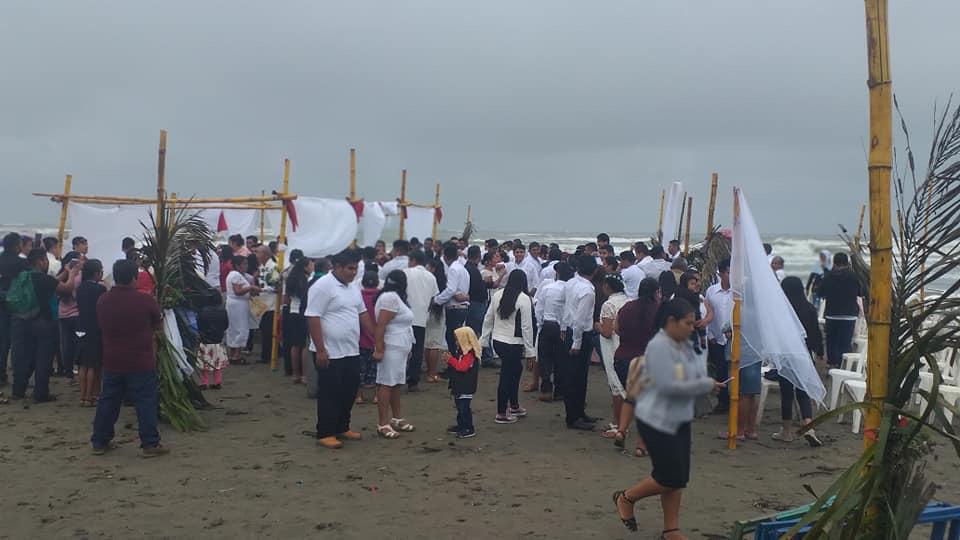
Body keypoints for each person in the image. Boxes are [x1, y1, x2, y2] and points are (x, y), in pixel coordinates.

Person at [612, 298, 724, 537]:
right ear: (671, 322)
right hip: (657, 419)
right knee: (668, 476)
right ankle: (627, 497)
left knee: (679, 476)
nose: (692, 327)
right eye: (688, 323)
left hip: (678, 416)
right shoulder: (659, 346)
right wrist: (704, 384)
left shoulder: (679, 345)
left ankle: (671, 528)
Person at [90, 259, 167, 457]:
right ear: (134, 277)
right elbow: (158, 326)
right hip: (140, 361)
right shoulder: (144, 300)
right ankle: (150, 443)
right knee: (145, 402)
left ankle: (99, 441)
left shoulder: (103, 300)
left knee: (108, 401)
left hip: (112, 360)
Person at [305, 249, 375, 450]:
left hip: (351, 349)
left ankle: (342, 426)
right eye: (350, 268)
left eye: (356, 268)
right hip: (329, 351)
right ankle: (325, 432)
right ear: (337, 267)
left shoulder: (353, 287)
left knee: (350, 389)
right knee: (330, 392)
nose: (353, 273)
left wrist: (376, 338)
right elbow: (313, 317)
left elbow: (362, 314)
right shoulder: (322, 286)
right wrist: (320, 350)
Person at [10, 249, 80, 402]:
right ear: (40, 261)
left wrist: (66, 271)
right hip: (43, 323)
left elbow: (54, 282)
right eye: (45, 260)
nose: (47, 263)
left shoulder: (23, 276)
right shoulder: (43, 279)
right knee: (44, 358)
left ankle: (18, 391)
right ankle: (40, 393)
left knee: (23, 358)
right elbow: (66, 289)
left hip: (22, 321)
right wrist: (73, 274)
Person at [613, 277, 661, 457]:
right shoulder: (658, 311)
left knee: (632, 398)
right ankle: (641, 444)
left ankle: (621, 430)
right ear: (656, 292)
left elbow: (617, 329)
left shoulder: (627, 307)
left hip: (623, 358)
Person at [481, 269, 535, 424]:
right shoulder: (524, 299)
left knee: (515, 369)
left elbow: (488, 318)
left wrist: (484, 341)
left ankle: (514, 405)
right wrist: (531, 352)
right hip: (513, 343)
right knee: (507, 374)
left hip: (498, 341)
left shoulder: (498, 294)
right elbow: (527, 327)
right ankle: (501, 412)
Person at [774, 277, 824, 447]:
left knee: (787, 394)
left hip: (786, 355)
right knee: (803, 391)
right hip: (804, 355)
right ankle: (808, 426)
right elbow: (816, 332)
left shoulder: (781, 310)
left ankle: (786, 432)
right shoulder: (809, 308)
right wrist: (820, 352)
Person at [372, 270, 417, 439]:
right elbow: (381, 325)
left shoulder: (396, 297)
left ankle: (396, 417)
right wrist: (379, 348)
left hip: (400, 345)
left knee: (397, 382)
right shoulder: (390, 298)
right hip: (391, 345)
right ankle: (382, 423)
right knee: (386, 383)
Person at [562, 255, 599, 430]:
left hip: (571, 330)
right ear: (594, 271)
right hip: (580, 334)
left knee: (576, 375)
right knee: (576, 377)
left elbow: (567, 309)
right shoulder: (588, 291)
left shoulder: (570, 283)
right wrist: (576, 343)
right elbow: (580, 319)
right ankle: (573, 416)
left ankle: (578, 412)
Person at [534, 262, 572, 402]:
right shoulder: (569, 290)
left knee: (545, 358)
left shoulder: (548, 288)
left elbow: (539, 308)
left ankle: (546, 389)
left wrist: (540, 323)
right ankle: (559, 390)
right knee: (561, 359)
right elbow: (568, 312)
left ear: (557, 274)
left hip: (547, 324)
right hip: (562, 327)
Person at [598, 273, 629, 439]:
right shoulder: (629, 301)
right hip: (628, 347)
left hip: (613, 349)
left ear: (608, 287)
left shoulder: (608, 304)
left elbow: (607, 332)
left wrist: (596, 326)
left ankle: (618, 425)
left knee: (616, 387)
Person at [404, 250, 439, 391]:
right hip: (420, 318)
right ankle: (413, 381)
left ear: (412, 260)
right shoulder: (431, 277)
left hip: (405, 318)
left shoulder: (405, 273)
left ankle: (399, 377)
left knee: (403, 349)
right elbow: (433, 299)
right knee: (417, 350)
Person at [820, 252, 862, 368]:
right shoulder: (854, 276)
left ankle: (832, 363)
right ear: (847, 262)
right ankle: (843, 364)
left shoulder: (828, 276)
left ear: (834, 262)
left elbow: (820, 292)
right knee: (845, 341)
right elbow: (860, 292)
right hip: (849, 313)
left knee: (831, 340)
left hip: (832, 313)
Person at [704, 258, 734, 414]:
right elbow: (708, 313)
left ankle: (736, 399)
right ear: (721, 273)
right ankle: (723, 401)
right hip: (717, 337)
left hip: (735, 338)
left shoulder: (738, 292)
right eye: (729, 272)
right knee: (721, 370)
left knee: (735, 369)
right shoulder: (711, 291)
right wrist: (709, 334)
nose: (731, 275)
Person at [76, 259, 106, 407]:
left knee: (83, 363)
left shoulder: (80, 288)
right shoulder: (100, 289)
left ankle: (82, 396)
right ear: (96, 273)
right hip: (95, 328)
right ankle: (91, 395)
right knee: (93, 364)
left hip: (80, 327)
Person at [0, 233, 27, 386]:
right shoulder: (20, 263)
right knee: (18, 343)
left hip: (1, 303)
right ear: (17, 245)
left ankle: (1, 374)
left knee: (2, 342)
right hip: (16, 305)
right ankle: (18, 378)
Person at [434, 244, 470, 357]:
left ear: (445, 256)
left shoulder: (453, 269)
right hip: (462, 307)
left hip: (455, 308)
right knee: (457, 338)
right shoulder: (462, 268)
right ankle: (457, 364)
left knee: (451, 338)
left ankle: (454, 366)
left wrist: (437, 300)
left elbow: (451, 289)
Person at [284, 251, 313, 385]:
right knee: (304, 345)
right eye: (310, 264)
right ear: (305, 266)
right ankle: (304, 375)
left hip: (292, 311)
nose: (312, 266)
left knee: (295, 345)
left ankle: (296, 374)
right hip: (302, 312)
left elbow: (287, 298)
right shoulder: (304, 280)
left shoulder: (291, 278)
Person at [447, 326, 482, 439]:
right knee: (460, 407)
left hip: (465, 387)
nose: (456, 342)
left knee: (464, 408)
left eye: (458, 340)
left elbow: (462, 367)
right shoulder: (462, 353)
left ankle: (468, 427)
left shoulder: (469, 355)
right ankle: (461, 425)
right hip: (460, 386)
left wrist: (450, 360)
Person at [225, 256, 260, 364]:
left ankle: (234, 354)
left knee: (235, 328)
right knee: (240, 329)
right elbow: (237, 291)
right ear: (237, 265)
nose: (246, 266)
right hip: (237, 304)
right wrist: (250, 288)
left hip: (238, 304)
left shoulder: (240, 276)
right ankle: (236, 355)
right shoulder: (235, 275)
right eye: (244, 264)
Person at [56, 251, 84, 381]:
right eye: (81, 260)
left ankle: (68, 370)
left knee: (66, 344)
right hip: (77, 315)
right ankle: (77, 366)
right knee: (79, 341)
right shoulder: (80, 276)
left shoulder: (62, 275)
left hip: (63, 315)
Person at [196, 290, 229, 391]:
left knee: (204, 364)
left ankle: (204, 382)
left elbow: (199, 325)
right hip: (218, 340)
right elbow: (226, 325)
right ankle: (217, 382)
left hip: (205, 341)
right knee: (217, 364)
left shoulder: (202, 311)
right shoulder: (223, 311)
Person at [423, 258, 448, 383]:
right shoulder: (441, 281)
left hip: (426, 311)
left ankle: (429, 371)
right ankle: (432, 373)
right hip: (437, 312)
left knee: (428, 343)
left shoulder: (427, 280)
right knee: (434, 344)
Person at [254, 245, 280, 365]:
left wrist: (261, 289)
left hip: (272, 305)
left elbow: (276, 287)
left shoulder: (273, 267)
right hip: (264, 304)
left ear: (265, 254)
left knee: (268, 331)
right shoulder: (262, 267)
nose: (256, 255)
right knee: (265, 330)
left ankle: (268, 356)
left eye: (258, 252)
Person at [357, 271, 379, 404]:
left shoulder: (358, 297)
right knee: (377, 370)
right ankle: (376, 396)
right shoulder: (382, 297)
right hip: (377, 339)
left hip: (360, 339)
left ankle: (359, 396)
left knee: (360, 370)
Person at [464, 246, 487, 341]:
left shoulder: (467, 268)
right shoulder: (473, 270)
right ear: (478, 256)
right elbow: (477, 287)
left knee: (472, 329)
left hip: (472, 302)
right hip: (476, 303)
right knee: (477, 330)